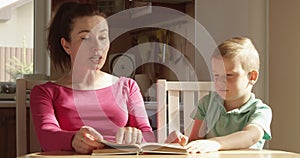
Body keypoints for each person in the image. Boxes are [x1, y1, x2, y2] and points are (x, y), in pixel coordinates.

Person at [30, 1, 155, 154]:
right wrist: (73, 140)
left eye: (102, 38)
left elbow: (148, 136)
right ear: (66, 45)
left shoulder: (128, 87)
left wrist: (137, 136)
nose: (97, 47)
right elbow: (47, 137)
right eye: (85, 38)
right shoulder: (45, 93)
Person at [165, 37, 272, 153]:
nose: (220, 82)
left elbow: (250, 136)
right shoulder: (206, 104)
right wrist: (181, 142)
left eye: (229, 75)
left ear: (252, 77)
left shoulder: (260, 110)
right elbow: (195, 142)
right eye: (216, 75)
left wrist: (217, 143)